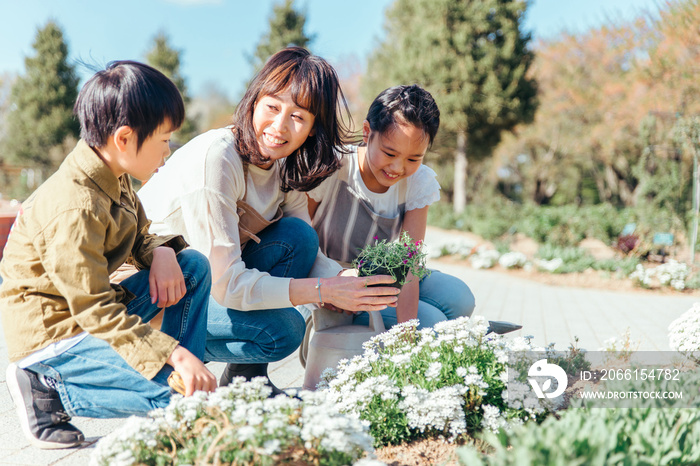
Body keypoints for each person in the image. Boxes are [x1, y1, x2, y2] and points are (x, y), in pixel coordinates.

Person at [138, 47, 400, 394]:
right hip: (148, 295)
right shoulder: (217, 160)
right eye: (273, 107)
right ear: (253, 101)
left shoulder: (279, 163)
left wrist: (343, 278)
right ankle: (155, 359)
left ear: (311, 128)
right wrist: (322, 291)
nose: (279, 126)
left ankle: (247, 381)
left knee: (298, 238)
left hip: (200, 286)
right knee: (283, 330)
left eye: (298, 117)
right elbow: (227, 285)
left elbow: (302, 241)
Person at [0, 61, 217, 450]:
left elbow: (141, 236)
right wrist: (171, 352)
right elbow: (94, 310)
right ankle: (44, 386)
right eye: (164, 139)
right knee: (173, 401)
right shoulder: (74, 207)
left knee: (192, 266)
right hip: (57, 335)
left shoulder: (114, 173)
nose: (168, 152)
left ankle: (184, 387)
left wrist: (163, 252)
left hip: (92, 313)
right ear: (124, 138)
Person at [308, 84, 476, 330]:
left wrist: (405, 335)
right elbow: (302, 242)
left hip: (381, 279)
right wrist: (329, 284)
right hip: (327, 282)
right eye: (389, 153)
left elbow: (410, 264)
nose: (397, 168)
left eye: (413, 159)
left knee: (459, 298)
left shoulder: (419, 182)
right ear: (367, 133)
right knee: (432, 323)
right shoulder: (333, 166)